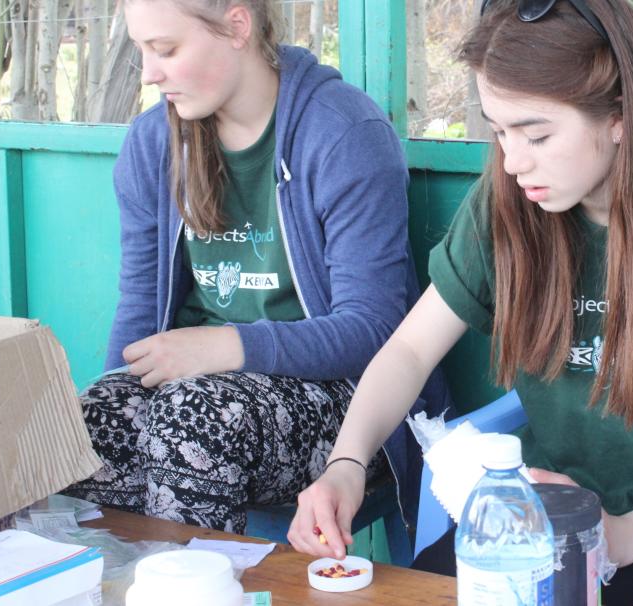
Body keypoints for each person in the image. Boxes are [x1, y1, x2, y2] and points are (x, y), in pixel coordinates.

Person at [288, 1, 633, 604]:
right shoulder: (507, 207)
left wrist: (620, 537)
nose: (514, 161)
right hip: (545, 519)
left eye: (537, 133)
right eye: (498, 130)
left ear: (621, 114)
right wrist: (346, 464)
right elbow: (411, 350)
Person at [62, 0, 450, 536]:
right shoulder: (155, 142)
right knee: (82, 432)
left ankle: (199, 588)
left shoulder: (342, 132)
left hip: (349, 399)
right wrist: (113, 395)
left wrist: (228, 346)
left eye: (166, 49)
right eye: (143, 51)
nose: (150, 74)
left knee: (192, 421)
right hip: (199, 388)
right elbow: (139, 309)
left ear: (236, 27)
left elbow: (375, 329)